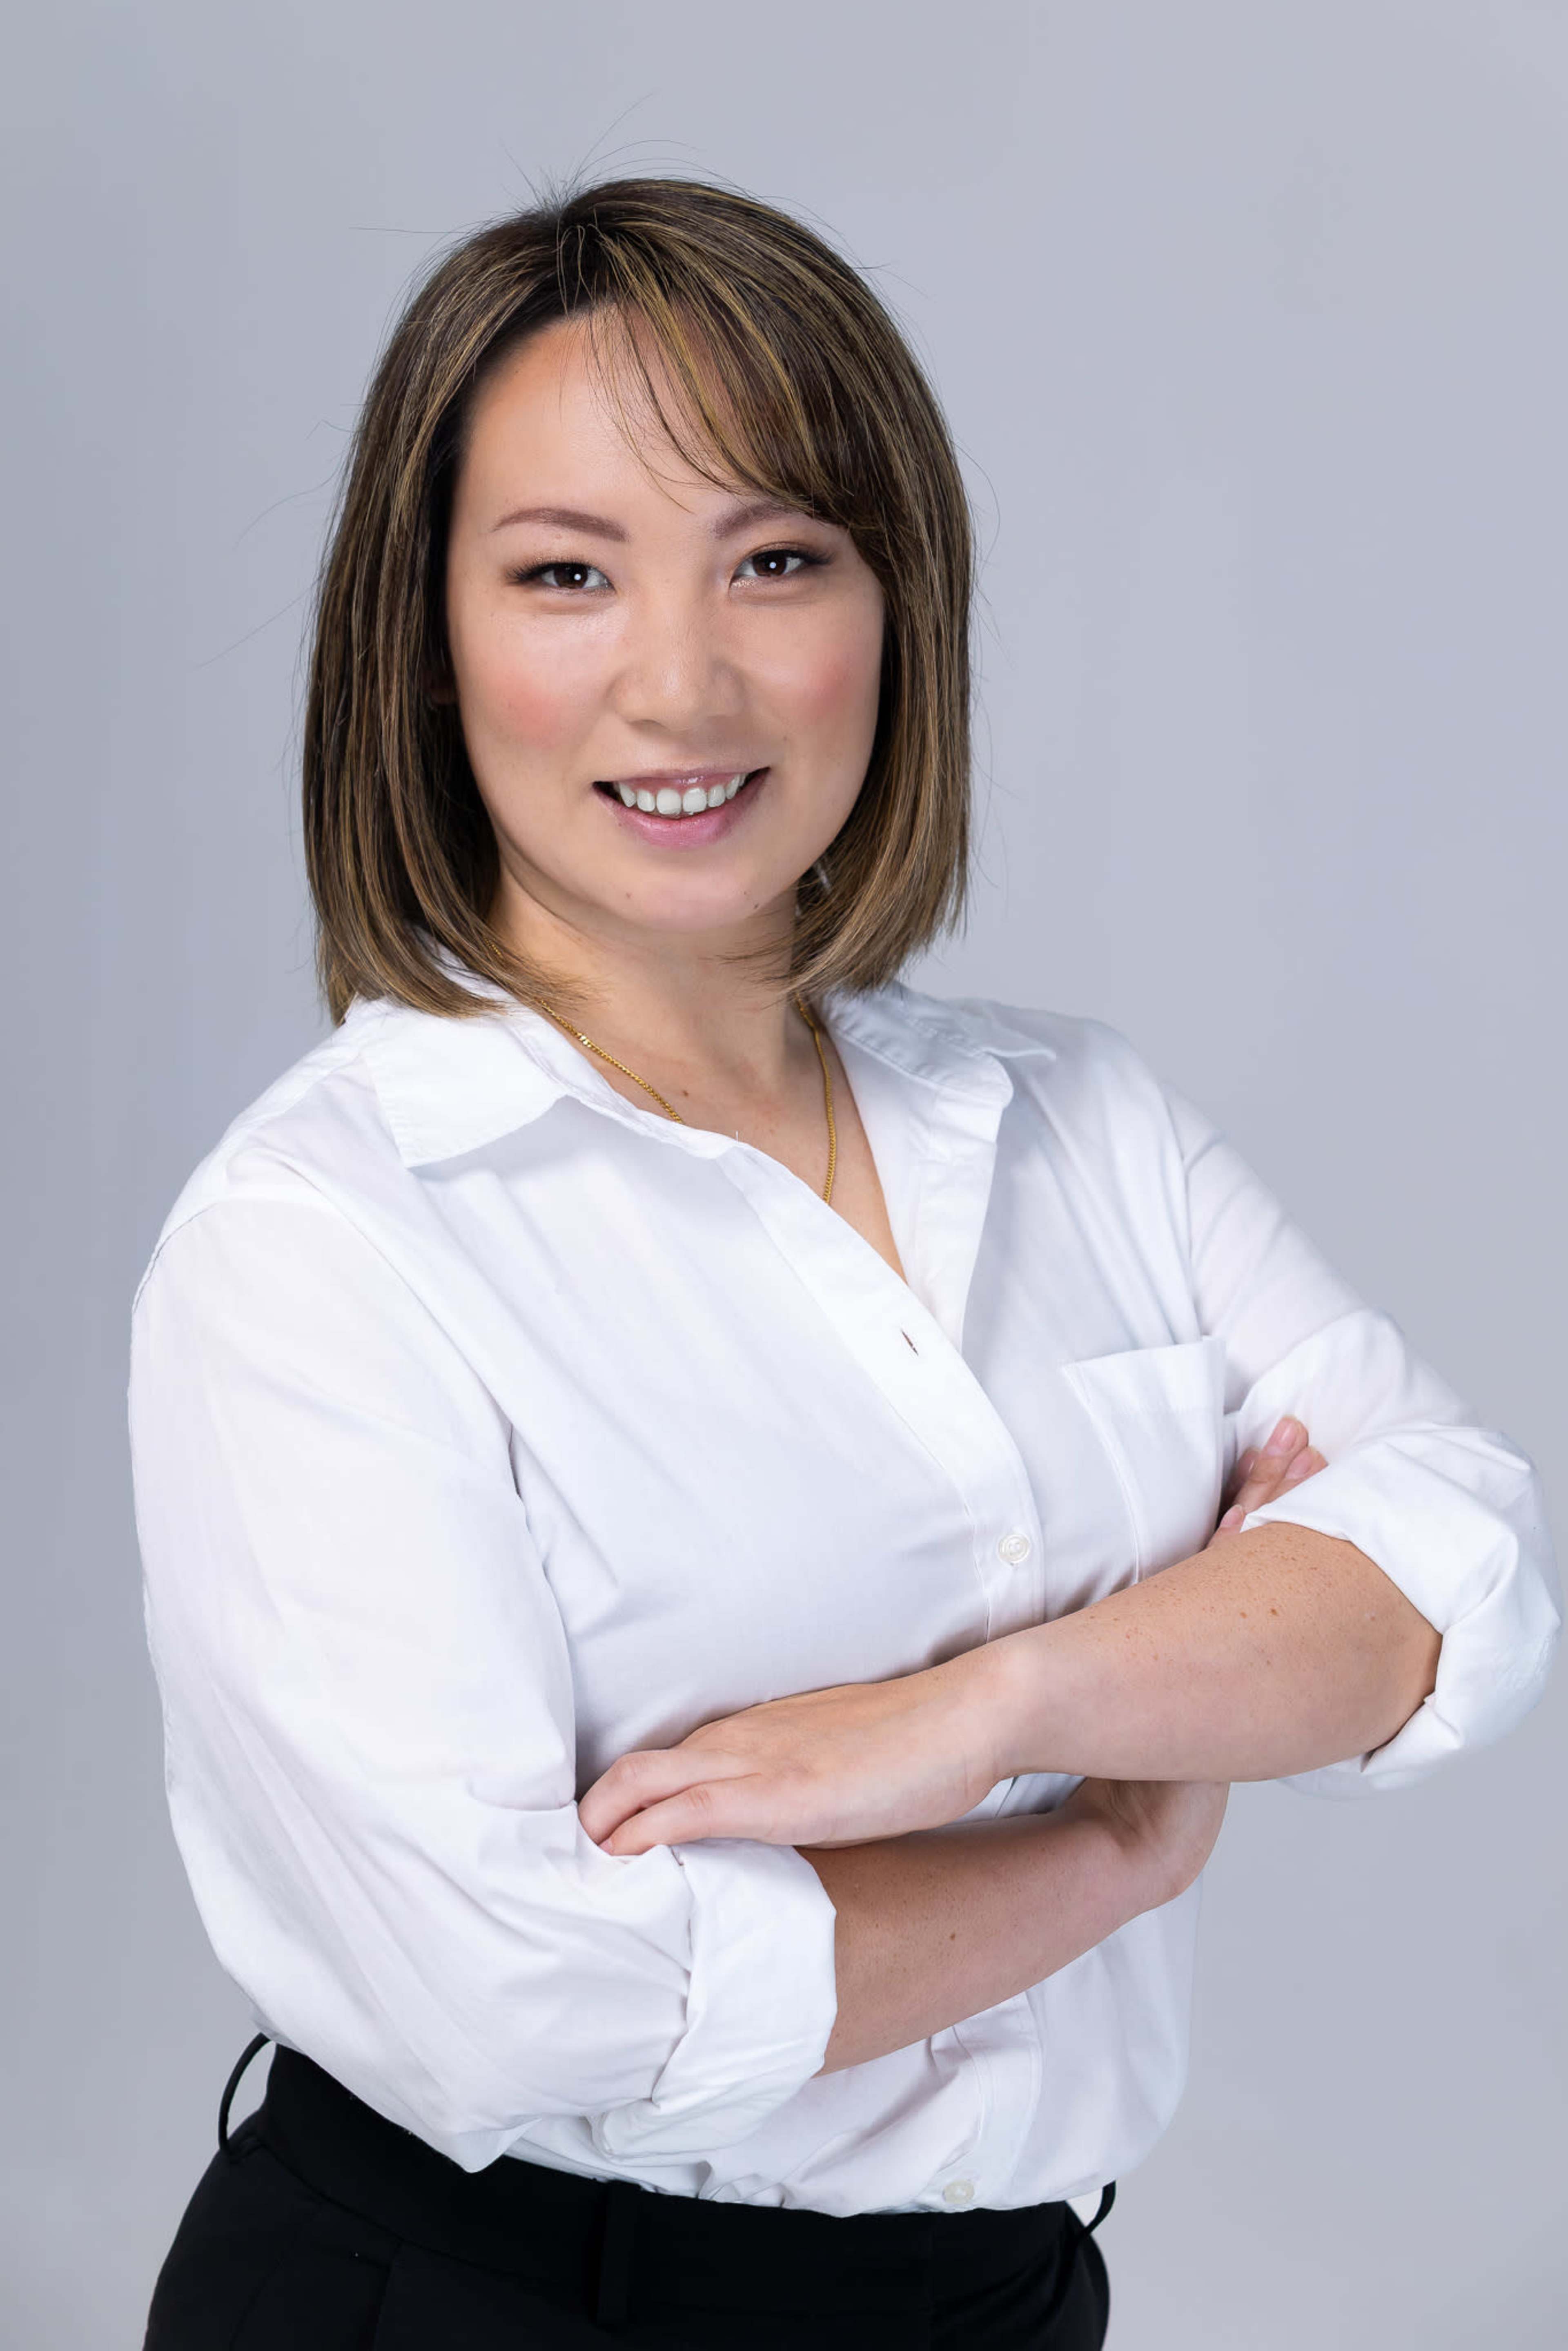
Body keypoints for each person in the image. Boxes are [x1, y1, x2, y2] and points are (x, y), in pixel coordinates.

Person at [129, 177, 1559, 2350]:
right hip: (490, 2310)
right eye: (567, 574)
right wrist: (1105, 1844)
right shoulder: (321, 1247)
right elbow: (529, 2004)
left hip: (1005, 2305)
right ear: (424, 640)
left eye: (776, 558)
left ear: (897, 607)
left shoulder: (1092, 1129)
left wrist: (988, 1710)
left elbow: (1459, 1573)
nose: (682, 679)